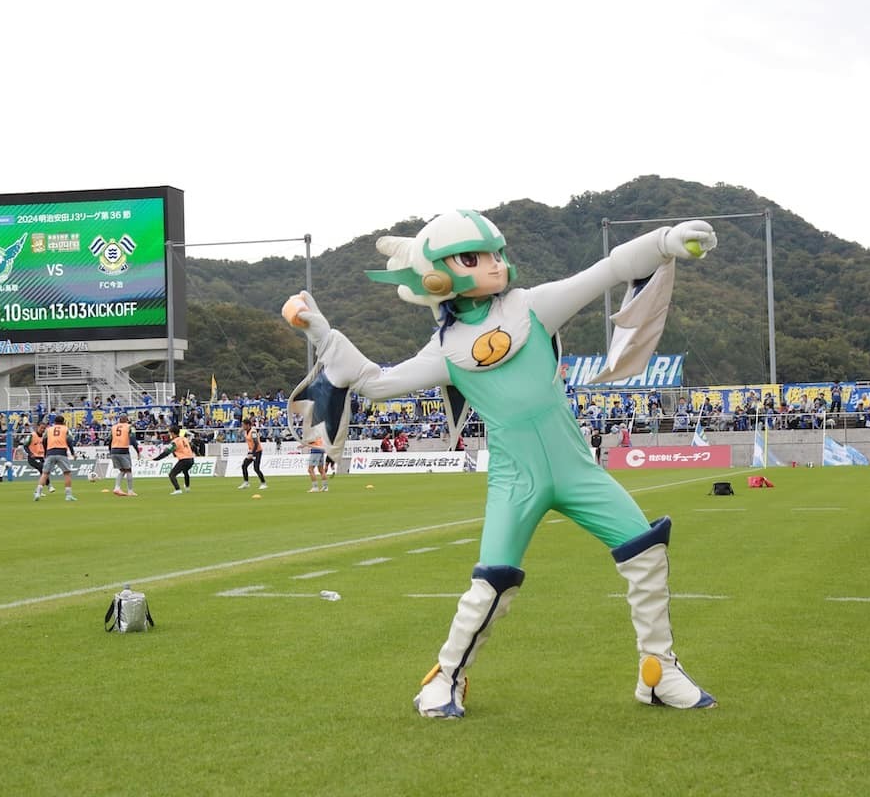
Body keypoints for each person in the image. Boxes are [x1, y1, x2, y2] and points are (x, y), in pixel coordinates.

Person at [283, 209, 717, 718]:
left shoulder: (531, 308)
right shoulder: (444, 349)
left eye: (495, 254)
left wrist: (664, 240)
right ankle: (446, 677)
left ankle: (660, 671)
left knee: (644, 552)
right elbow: (376, 383)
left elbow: (609, 269)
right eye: (473, 258)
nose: (493, 265)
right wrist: (324, 334)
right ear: (437, 273)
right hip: (516, 480)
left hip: (577, 469)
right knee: (491, 583)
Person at [34, 415, 77, 502]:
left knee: (45, 474)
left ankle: (38, 493)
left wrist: (46, 452)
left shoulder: (49, 429)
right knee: (67, 473)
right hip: (61, 452)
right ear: (63, 422)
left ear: (55, 422)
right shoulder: (65, 429)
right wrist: (72, 453)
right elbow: (69, 440)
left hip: (50, 452)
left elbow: (44, 440)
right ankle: (68, 495)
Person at [153, 425, 195, 495]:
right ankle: (187, 487)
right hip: (191, 459)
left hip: (183, 459)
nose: (169, 434)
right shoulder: (184, 438)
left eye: (170, 433)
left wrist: (157, 459)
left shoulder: (174, 442)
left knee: (172, 475)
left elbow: (166, 452)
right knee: (185, 471)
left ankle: (178, 489)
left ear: (172, 433)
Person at [108, 414, 140, 496]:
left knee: (122, 470)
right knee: (128, 470)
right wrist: (138, 451)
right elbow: (133, 440)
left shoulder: (113, 427)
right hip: (123, 450)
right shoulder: (129, 427)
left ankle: (117, 488)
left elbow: (109, 440)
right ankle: (130, 490)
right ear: (126, 419)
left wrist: (110, 451)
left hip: (113, 450)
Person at [22, 420, 53, 495]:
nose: (42, 430)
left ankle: (38, 491)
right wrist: (30, 453)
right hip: (33, 458)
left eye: (44, 428)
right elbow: (25, 446)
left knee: (43, 473)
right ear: (37, 427)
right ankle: (49, 485)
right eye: (41, 428)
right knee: (43, 470)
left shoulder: (45, 437)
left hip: (41, 457)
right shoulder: (31, 435)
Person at [238, 418, 268, 490]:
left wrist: (252, 454)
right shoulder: (247, 431)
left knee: (256, 468)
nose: (242, 427)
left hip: (257, 451)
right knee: (244, 465)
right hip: (251, 451)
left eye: (243, 425)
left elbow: (256, 443)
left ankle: (263, 483)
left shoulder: (253, 432)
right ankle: (246, 482)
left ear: (247, 425)